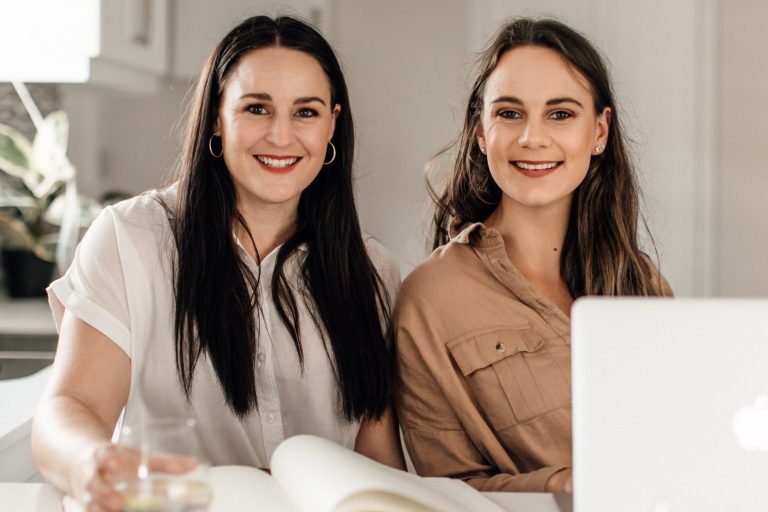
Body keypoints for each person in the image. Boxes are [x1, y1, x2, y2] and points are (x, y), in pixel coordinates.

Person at [32, 15, 405, 510]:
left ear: (333, 123)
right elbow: (70, 407)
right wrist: (89, 463)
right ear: (215, 117)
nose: (280, 135)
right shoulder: (129, 239)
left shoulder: (373, 270)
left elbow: (378, 462)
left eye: (306, 112)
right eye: (256, 108)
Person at [394, 18, 672, 493]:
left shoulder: (640, 280)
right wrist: (558, 485)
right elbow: (446, 489)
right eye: (510, 113)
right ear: (482, 133)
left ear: (600, 132)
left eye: (560, 114)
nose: (532, 138)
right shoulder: (431, 298)